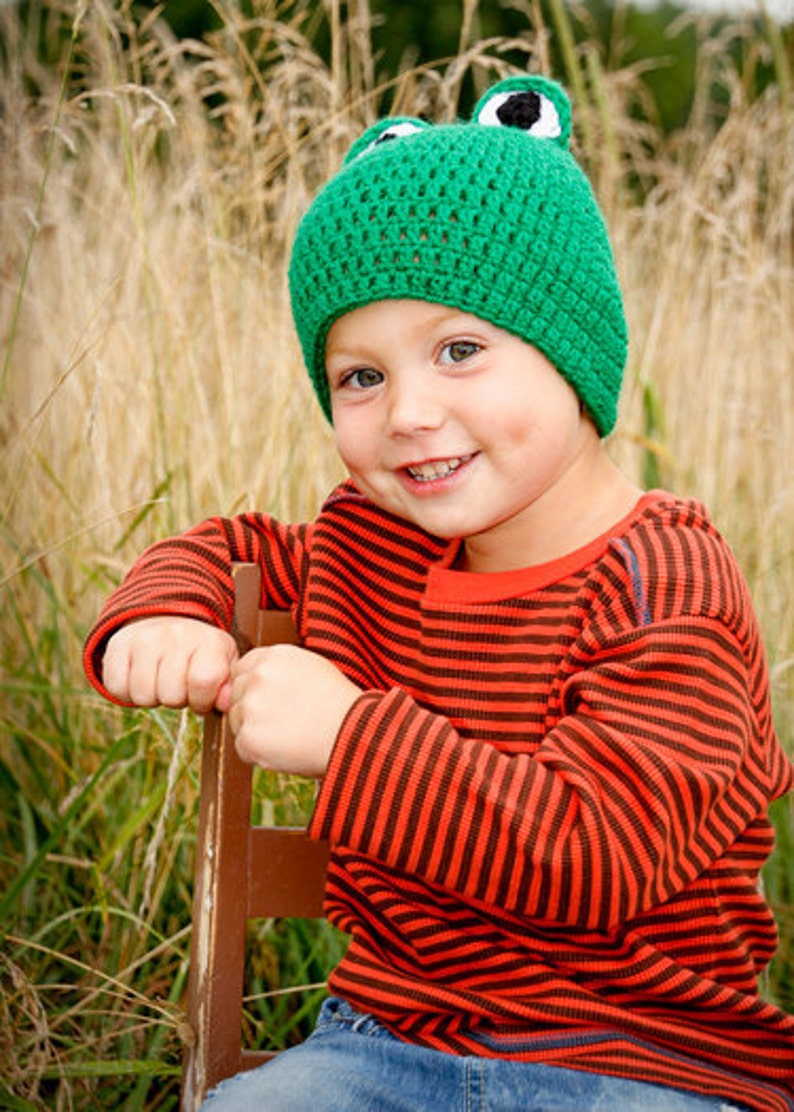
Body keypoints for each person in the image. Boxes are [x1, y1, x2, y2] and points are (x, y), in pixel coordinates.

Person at [83, 75, 794, 1111]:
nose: (408, 411)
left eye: (460, 349)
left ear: (569, 351)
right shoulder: (368, 537)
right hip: (380, 1041)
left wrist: (348, 736)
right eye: (358, 376)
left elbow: (593, 860)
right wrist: (163, 613)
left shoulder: (666, 583)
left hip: (642, 1056)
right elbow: (232, 547)